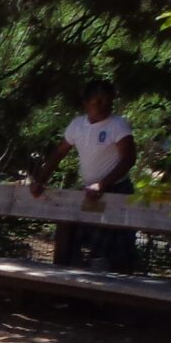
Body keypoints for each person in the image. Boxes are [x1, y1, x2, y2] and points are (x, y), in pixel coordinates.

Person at [33, 80, 139, 270]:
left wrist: (103, 184)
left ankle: (107, 294)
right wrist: (40, 180)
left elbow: (128, 159)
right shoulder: (77, 126)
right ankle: (76, 290)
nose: (104, 106)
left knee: (111, 250)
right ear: (86, 103)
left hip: (116, 190)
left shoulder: (118, 125)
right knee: (77, 241)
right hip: (91, 191)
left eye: (108, 101)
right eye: (98, 102)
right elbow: (59, 153)